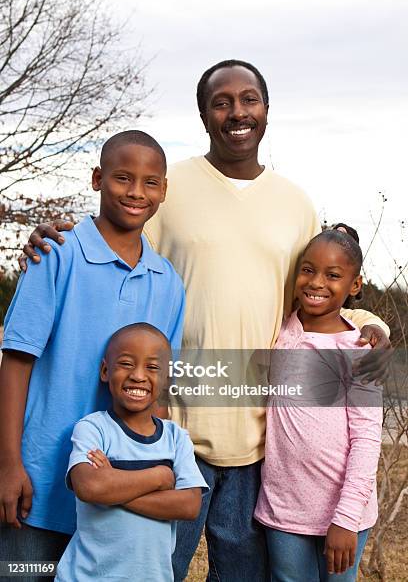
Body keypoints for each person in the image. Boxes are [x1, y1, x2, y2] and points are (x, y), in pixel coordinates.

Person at [19, 60, 391, 581]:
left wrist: (371, 321)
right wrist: (51, 239)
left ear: (266, 109)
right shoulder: (173, 188)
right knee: (147, 567)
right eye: (221, 102)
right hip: (172, 428)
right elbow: (114, 246)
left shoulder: (297, 203)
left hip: (259, 438)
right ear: (203, 114)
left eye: (248, 99)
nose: (237, 111)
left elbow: (313, 297)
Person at [0, 131, 185, 571]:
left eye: (150, 182)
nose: (136, 192)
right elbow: (16, 361)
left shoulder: (168, 282)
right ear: (97, 178)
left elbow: (158, 396)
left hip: (117, 494)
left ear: (163, 190)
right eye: (123, 178)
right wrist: (8, 463)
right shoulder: (57, 255)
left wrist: (147, 481)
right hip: (39, 485)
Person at [255, 226, 382, 581]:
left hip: (344, 516)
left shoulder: (358, 352)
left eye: (333, 275)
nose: (316, 282)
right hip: (284, 510)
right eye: (308, 269)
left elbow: (367, 440)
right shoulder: (279, 332)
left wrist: (345, 518)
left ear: (354, 285)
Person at [55, 322, 208, 582]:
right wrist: (159, 478)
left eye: (152, 367)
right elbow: (90, 488)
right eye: (126, 363)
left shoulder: (176, 439)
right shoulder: (93, 428)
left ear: (167, 378)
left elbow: (189, 505)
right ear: (105, 370)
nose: (138, 375)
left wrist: (113, 486)